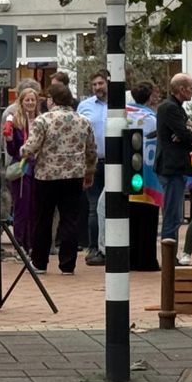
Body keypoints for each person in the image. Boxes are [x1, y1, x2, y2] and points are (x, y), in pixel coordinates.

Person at [20, 81, 96, 274]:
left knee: (43, 219)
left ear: (52, 100)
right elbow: (91, 150)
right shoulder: (83, 121)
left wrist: (23, 151)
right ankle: (68, 264)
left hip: (46, 176)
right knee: (70, 219)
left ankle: (39, 262)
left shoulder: (43, 120)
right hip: (74, 175)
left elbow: (31, 147)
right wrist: (89, 172)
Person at [154, 73, 192, 263]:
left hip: (174, 166)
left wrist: (185, 133)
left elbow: (185, 133)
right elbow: (186, 134)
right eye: (191, 88)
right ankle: (169, 259)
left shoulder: (173, 107)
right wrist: (186, 133)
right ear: (181, 89)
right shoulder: (170, 108)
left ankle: (171, 257)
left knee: (174, 213)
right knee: (172, 214)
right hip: (172, 167)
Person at [125, 82, 162, 271]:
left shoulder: (124, 115)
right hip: (149, 175)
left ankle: (131, 258)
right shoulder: (152, 119)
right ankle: (146, 260)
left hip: (128, 173)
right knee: (148, 218)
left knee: (131, 217)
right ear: (150, 97)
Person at [3, 79, 42, 250]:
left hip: (38, 167)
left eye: (33, 100)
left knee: (35, 207)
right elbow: (12, 150)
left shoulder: (41, 120)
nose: (30, 103)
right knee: (21, 207)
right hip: (22, 167)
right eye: (27, 100)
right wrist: (9, 139)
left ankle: (32, 243)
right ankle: (19, 243)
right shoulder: (15, 121)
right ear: (21, 101)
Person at [78, 69, 111, 264]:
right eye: (94, 84)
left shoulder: (120, 105)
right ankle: (94, 247)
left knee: (113, 207)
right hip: (93, 163)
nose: (97, 87)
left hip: (116, 164)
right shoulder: (84, 106)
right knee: (94, 207)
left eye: (101, 83)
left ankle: (112, 246)